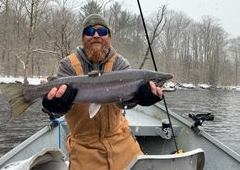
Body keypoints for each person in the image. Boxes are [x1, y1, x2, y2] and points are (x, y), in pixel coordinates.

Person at [42, 13, 163, 170]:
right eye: (90, 32)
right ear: (83, 38)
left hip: (121, 140)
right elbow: (56, 107)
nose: (96, 35)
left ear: (109, 37)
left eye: (102, 32)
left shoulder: (120, 63)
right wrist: (54, 108)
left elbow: (123, 103)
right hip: (84, 147)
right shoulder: (67, 65)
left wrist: (139, 98)